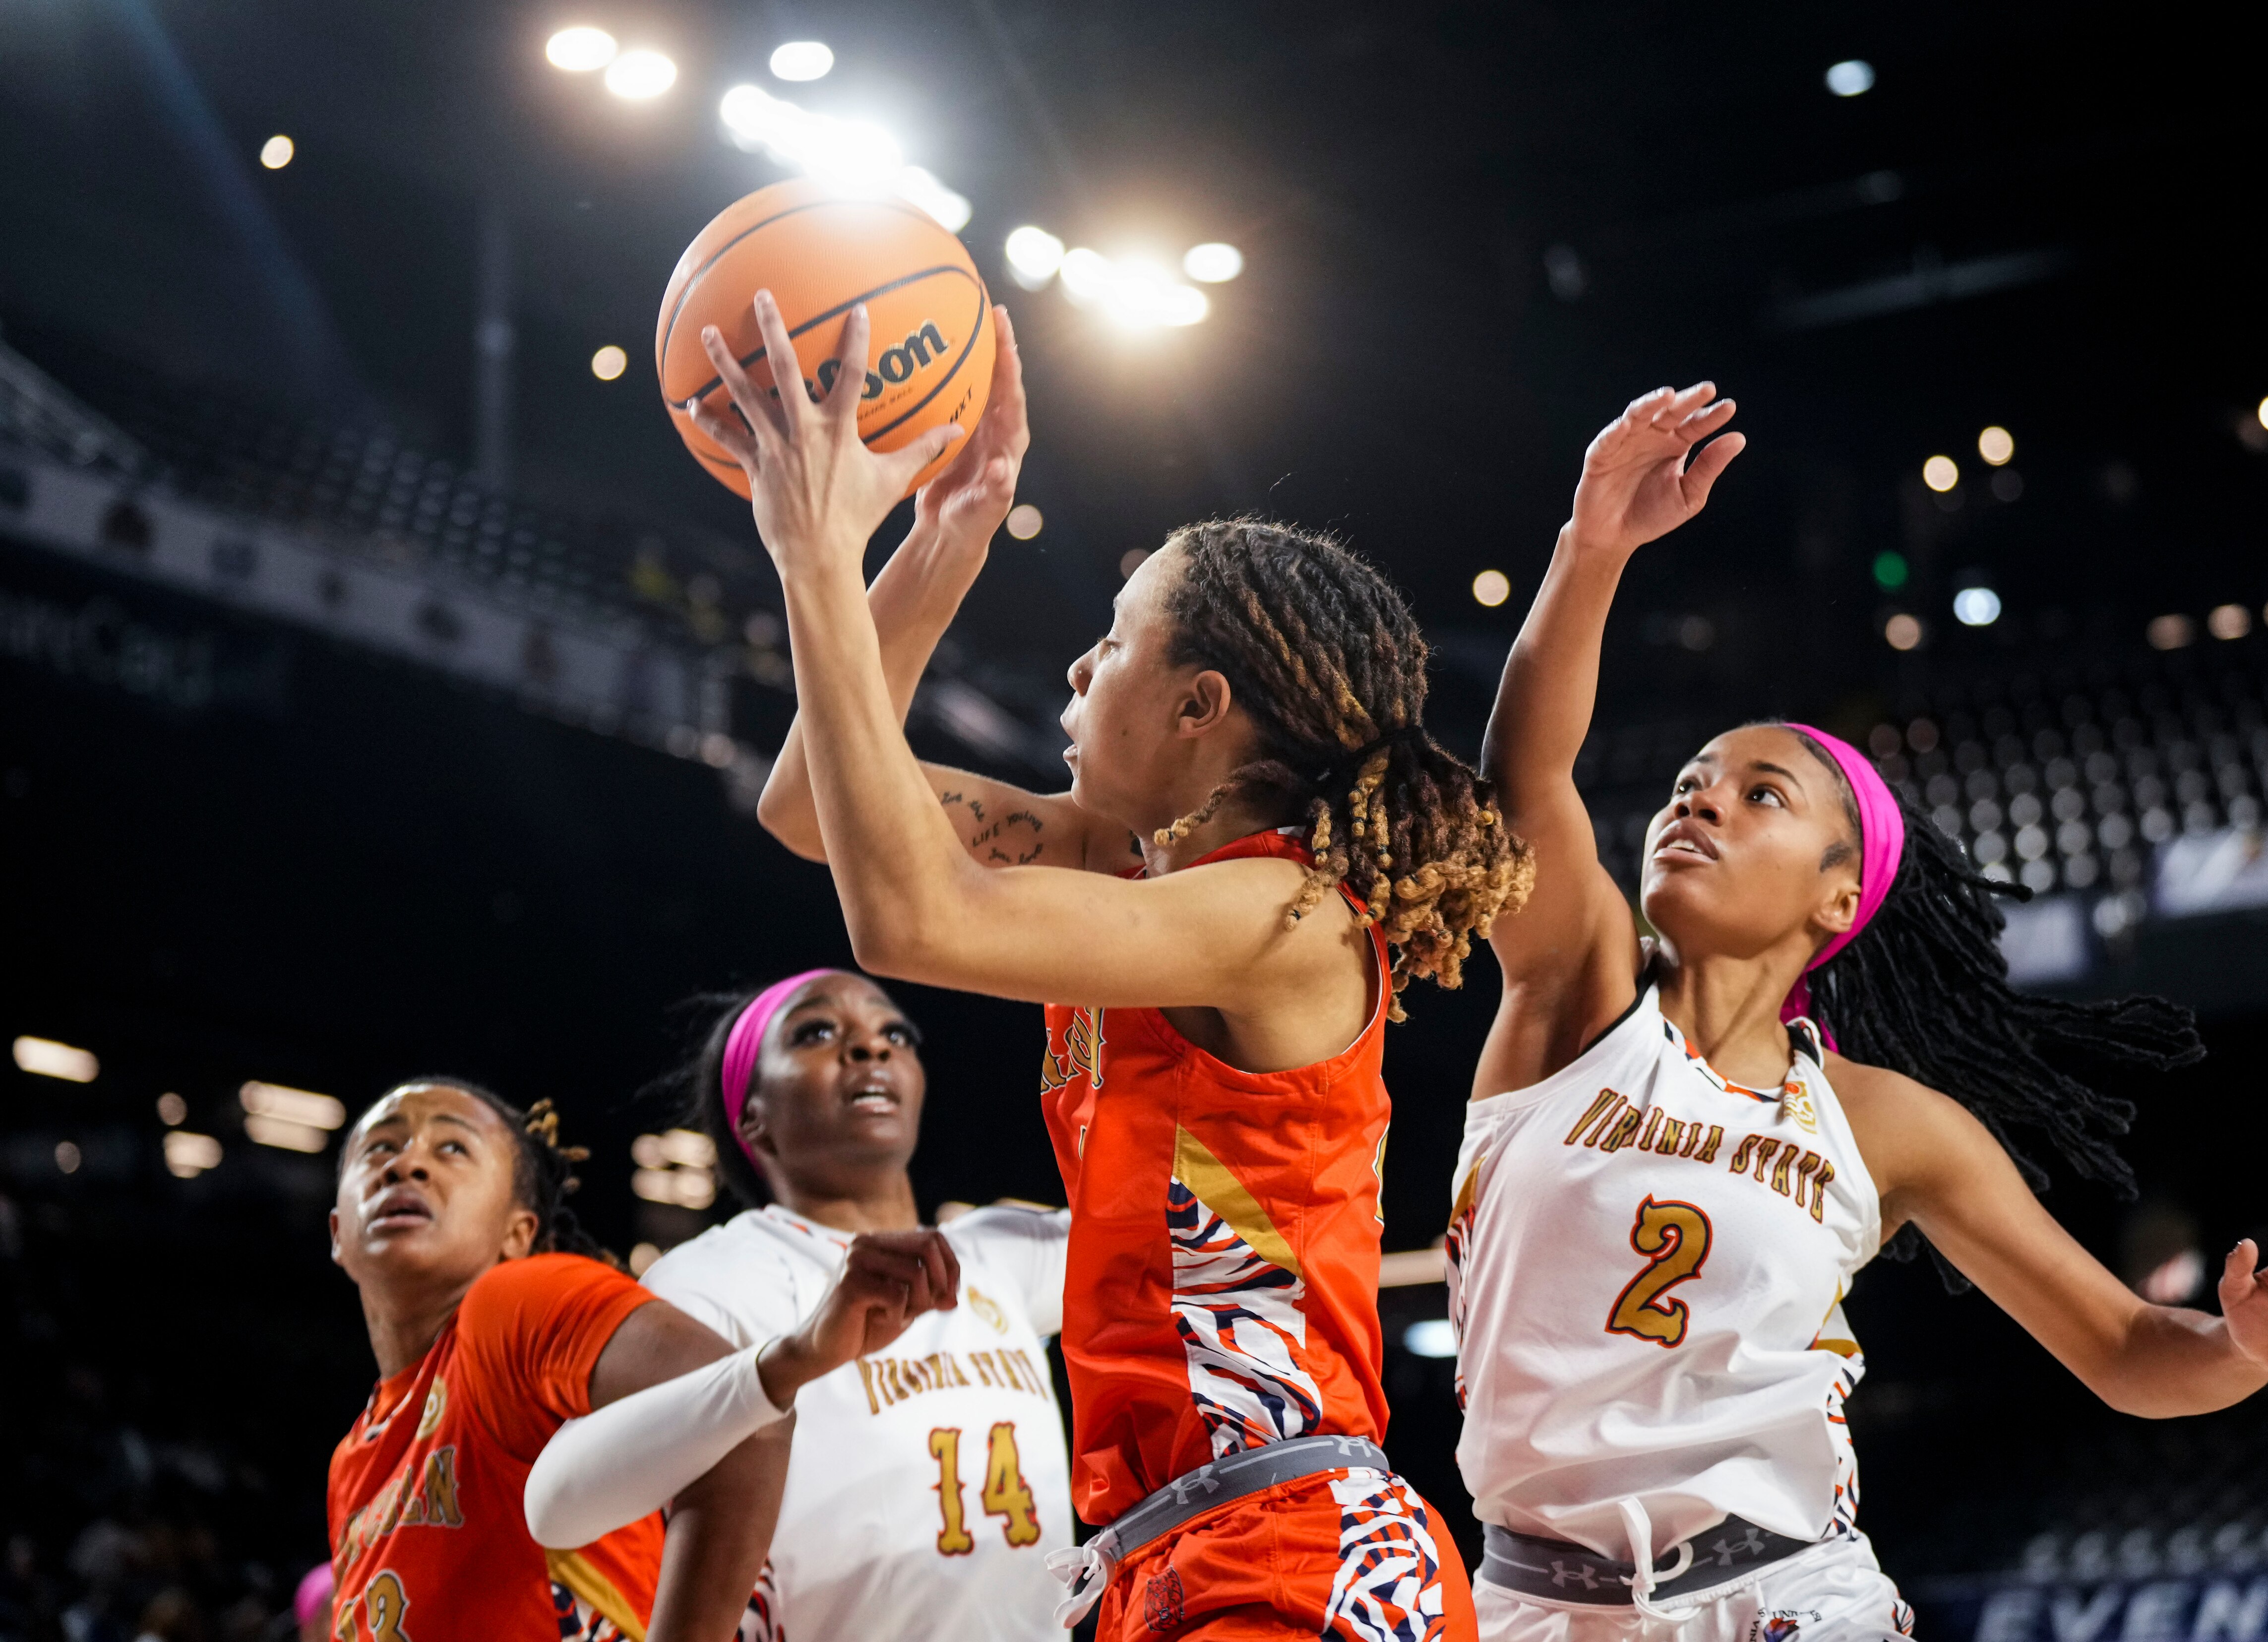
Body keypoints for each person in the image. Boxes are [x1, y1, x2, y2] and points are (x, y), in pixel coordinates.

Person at [1443, 385, 2268, 1642]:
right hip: (1531, 1599)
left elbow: (2122, 1342)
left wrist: (2250, 1348)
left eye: (1758, 791)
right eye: (1688, 781)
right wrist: (1592, 545)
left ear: (1840, 894)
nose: (1699, 800)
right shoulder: (1574, 997)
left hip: (1788, 1592)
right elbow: (1523, 778)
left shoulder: (1885, 1122)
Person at [684, 295, 1532, 1640]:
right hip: (1165, 1549)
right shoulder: (1120, 860)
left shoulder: (1284, 914)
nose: (1077, 665)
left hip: (1294, 1540)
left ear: (1200, 705)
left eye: (1116, 639)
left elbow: (908, 916)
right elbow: (807, 804)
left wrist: (814, 558)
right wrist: (940, 543)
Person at [325, 1075, 949, 1642]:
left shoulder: (511, 1305)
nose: (406, 1164)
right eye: (379, 1149)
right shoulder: (350, 1459)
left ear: (518, 1231)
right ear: (336, 1234)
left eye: (452, 1149)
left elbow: (753, 1421)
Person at [634, 967, 1073, 1642]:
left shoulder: (998, 1249)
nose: (872, 1048)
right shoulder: (704, 1277)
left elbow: (1183, 1215)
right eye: (817, 1031)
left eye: (893, 1032)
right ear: (751, 1114)